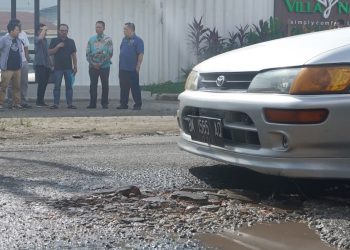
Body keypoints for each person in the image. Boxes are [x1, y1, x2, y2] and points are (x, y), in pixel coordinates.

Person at [49, 24, 77, 109]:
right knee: (57, 87)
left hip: (68, 68)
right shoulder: (54, 40)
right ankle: (55, 104)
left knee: (69, 87)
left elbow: (74, 55)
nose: (64, 32)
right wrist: (57, 46)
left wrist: (75, 66)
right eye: (62, 30)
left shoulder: (71, 41)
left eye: (65, 30)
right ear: (58, 31)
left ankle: (70, 104)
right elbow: (50, 53)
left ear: (67, 31)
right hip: (57, 68)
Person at [86, 21, 113, 109]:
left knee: (105, 85)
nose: (97, 29)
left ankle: (104, 103)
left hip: (104, 66)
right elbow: (87, 53)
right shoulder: (91, 39)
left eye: (99, 27)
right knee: (93, 85)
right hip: (93, 67)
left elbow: (110, 53)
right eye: (96, 27)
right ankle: (92, 103)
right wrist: (93, 64)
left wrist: (100, 63)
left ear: (104, 28)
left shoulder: (108, 40)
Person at [118, 22, 144, 110]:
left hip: (132, 69)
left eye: (125, 29)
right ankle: (123, 104)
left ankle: (137, 104)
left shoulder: (138, 40)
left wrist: (138, 65)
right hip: (123, 68)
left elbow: (140, 54)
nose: (124, 31)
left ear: (131, 30)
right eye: (123, 29)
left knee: (135, 87)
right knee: (123, 87)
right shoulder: (124, 39)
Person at [7, 19, 31, 109]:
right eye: (19, 26)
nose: (20, 27)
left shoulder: (23, 34)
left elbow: (26, 47)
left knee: (24, 83)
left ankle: (23, 101)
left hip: (23, 62)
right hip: (12, 63)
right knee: (11, 84)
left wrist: (27, 59)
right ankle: (11, 102)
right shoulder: (7, 36)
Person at [0, 21, 24, 110]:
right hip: (7, 68)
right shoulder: (4, 39)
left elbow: (20, 52)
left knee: (17, 87)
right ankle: (1, 103)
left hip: (17, 68)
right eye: (17, 30)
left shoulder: (18, 40)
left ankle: (16, 103)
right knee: (3, 86)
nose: (18, 31)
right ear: (11, 31)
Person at [34, 23, 51, 107]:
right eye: (42, 30)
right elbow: (40, 38)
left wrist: (51, 64)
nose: (45, 32)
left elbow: (47, 54)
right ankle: (38, 101)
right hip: (40, 65)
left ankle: (41, 100)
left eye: (45, 30)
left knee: (44, 84)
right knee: (41, 84)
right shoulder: (36, 38)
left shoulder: (46, 40)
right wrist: (44, 29)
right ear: (38, 31)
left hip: (47, 65)